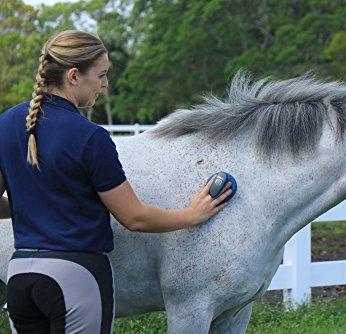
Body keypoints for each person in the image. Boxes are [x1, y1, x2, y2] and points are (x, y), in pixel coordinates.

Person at [0, 30, 232, 334]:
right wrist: (191, 215)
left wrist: (29, 204)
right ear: (73, 75)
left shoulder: (6, 124)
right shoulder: (89, 137)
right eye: (101, 75)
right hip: (75, 278)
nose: (104, 85)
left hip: (20, 278)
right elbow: (134, 217)